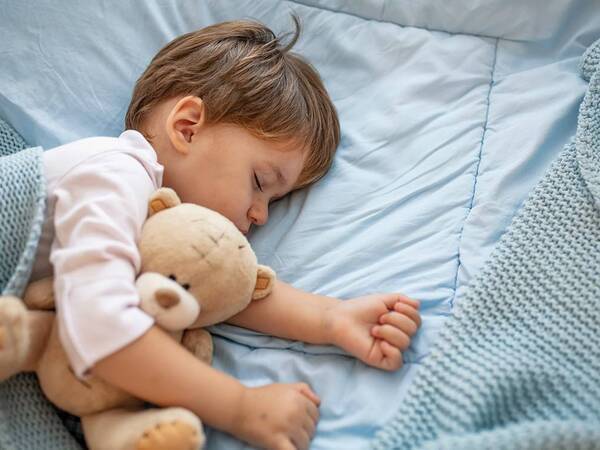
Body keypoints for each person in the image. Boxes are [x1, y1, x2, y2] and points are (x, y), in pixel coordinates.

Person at [19, 17, 421, 450]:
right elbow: (100, 325)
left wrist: (330, 319)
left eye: (275, 202)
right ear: (188, 126)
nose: (261, 216)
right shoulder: (114, 174)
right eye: (261, 183)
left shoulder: (159, 222)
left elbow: (216, 283)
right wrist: (238, 407)